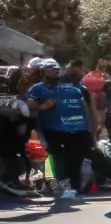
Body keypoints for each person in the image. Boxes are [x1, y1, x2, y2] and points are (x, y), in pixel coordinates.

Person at [27, 58, 98, 199]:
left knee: (76, 158)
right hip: (52, 131)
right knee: (57, 159)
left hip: (77, 130)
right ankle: (56, 185)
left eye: (56, 68)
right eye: (51, 67)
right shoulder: (37, 89)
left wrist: (92, 130)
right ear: (42, 70)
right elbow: (29, 109)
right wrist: (43, 107)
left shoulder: (75, 88)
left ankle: (74, 186)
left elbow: (88, 110)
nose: (55, 70)